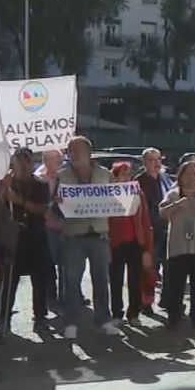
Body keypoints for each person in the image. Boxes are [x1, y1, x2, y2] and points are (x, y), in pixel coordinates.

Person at [57, 136, 123, 339]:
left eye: (76, 150)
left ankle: (103, 320)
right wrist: (57, 202)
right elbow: (53, 205)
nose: (73, 154)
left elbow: (116, 199)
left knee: (102, 280)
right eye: (70, 150)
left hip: (99, 234)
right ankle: (71, 323)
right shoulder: (62, 175)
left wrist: (122, 190)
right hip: (73, 235)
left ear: (88, 152)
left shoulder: (104, 174)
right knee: (72, 282)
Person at [0, 148, 51, 335]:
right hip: (14, 238)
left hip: (35, 237)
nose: (24, 166)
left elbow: (43, 209)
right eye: (20, 162)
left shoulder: (41, 184)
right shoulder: (7, 183)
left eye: (27, 161)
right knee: (9, 280)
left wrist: (19, 200)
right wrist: (4, 190)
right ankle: (3, 318)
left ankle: (40, 316)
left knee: (39, 279)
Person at [159, 161, 195, 328]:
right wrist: (176, 205)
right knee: (176, 284)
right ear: (180, 176)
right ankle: (174, 316)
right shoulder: (173, 193)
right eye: (186, 173)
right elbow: (161, 213)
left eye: (193, 173)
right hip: (178, 246)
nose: (190, 177)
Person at [107, 162, 153, 325]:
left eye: (128, 175)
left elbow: (145, 220)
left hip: (135, 241)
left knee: (135, 279)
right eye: (123, 174)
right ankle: (117, 314)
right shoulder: (107, 194)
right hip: (115, 242)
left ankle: (134, 313)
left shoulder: (138, 193)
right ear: (115, 177)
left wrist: (147, 246)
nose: (126, 178)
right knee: (116, 279)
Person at [38, 148, 69, 309]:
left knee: (67, 262)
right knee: (50, 261)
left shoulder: (68, 178)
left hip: (67, 226)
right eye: (54, 158)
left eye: (60, 157)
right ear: (45, 161)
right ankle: (51, 295)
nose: (59, 160)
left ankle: (68, 295)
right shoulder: (40, 179)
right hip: (48, 226)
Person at [137, 148, 173, 279]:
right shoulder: (139, 182)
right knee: (150, 263)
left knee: (167, 261)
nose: (156, 163)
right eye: (151, 160)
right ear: (144, 163)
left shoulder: (165, 179)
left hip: (166, 226)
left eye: (158, 159)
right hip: (149, 228)